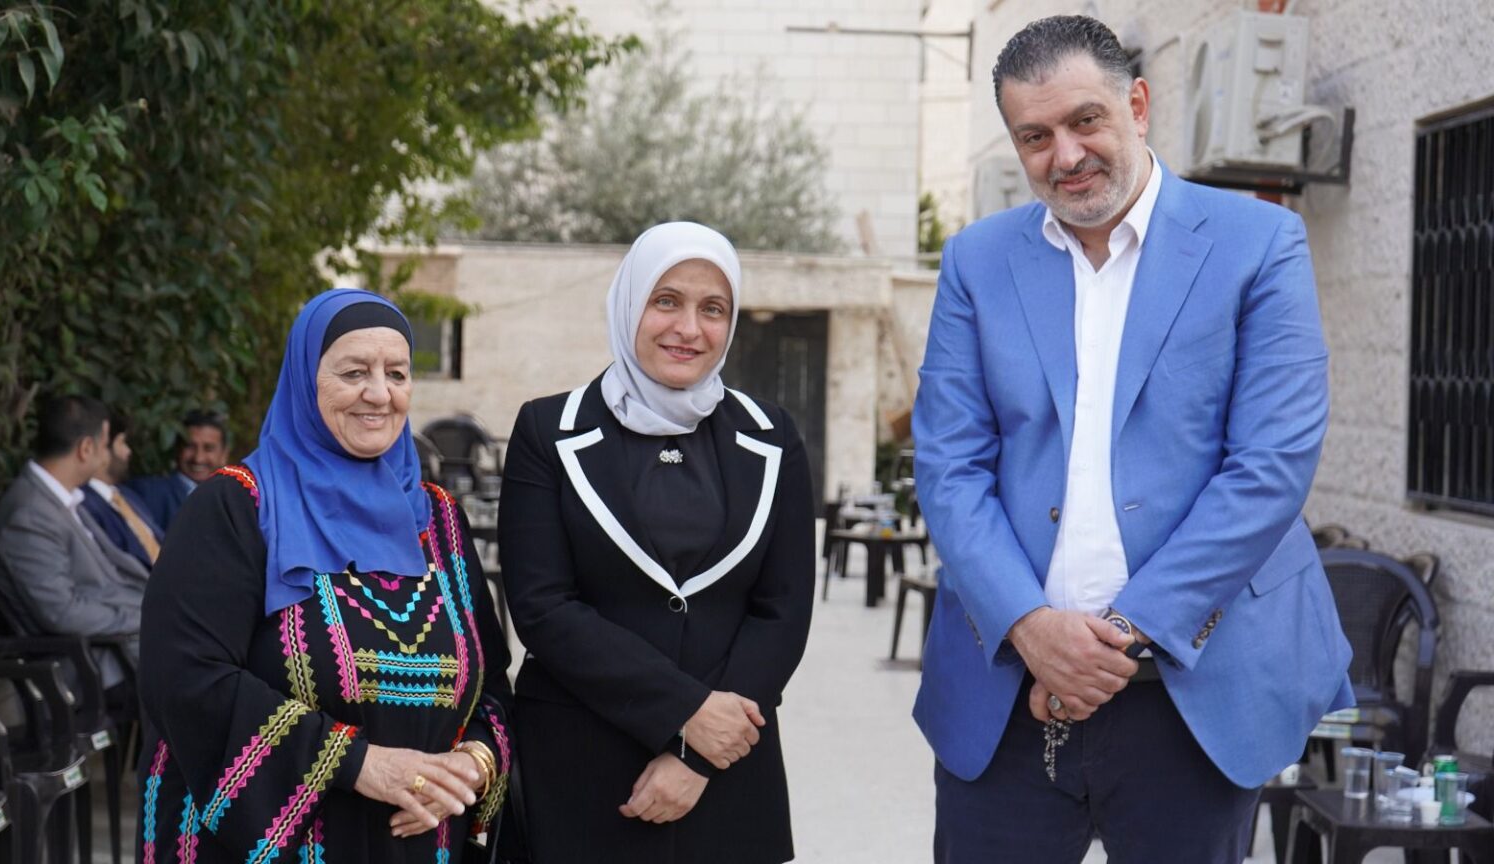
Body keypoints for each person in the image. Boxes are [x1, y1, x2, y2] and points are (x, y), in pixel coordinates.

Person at [911, 16, 1353, 864]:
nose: (1066, 155)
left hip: (1196, 691)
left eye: (1086, 120)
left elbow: (1270, 465)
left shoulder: (1258, 243)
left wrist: (1116, 635)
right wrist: (1032, 627)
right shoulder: (975, 260)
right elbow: (949, 465)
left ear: (1138, 105)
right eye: (1035, 136)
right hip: (1009, 692)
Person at [137, 289, 512, 864]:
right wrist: (360, 765)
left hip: (421, 842)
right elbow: (185, 677)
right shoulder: (237, 508)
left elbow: (492, 689)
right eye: (354, 372)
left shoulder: (441, 520)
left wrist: (471, 766)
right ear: (305, 381)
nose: (379, 393)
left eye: (397, 373)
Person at [498, 222, 814, 864]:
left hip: (727, 771)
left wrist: (698, 755)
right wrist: (686, 713)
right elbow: (542, 607)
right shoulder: (546, 431)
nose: (688, 328)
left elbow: (782, 611)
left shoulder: (773, 435)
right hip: (584, 770)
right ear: (629, 303)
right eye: (666, 300)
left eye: (713, 308)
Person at [0, 394, 149, 684]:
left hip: (123, 645)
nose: (106, 456)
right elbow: (62, 613)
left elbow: (114, 576)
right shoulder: (29, 515)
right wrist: (145, 618)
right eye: (105, 445)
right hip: (97, 665)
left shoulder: (59, 500)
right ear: (86, 449)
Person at [81, 410, 163, 571]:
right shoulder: (84, 503)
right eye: (122, 442)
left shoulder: (128, 496)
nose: (128, 451)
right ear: (102, 448)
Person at [124, 409, 230, 532]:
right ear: (177, 449)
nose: (198, 458)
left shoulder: (234, 502)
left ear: (224, 455)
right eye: (190, 446)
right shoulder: (149, 492)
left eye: (208, 448)